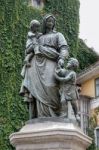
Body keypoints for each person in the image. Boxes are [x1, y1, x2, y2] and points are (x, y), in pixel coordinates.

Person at [20, 14, 69, 119]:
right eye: (48, 21)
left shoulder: (58, 35)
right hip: (35, 64)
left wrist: (61, 58)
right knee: (36, 90)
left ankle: (55, 115)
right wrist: (32, 44)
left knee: (51, 86)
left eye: (51, 21)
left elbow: (64, 48)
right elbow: (28, 49)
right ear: (44, 23)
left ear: (54, 23)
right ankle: (39, 116)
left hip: (51, 61)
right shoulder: (39, 36)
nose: (50, 23)